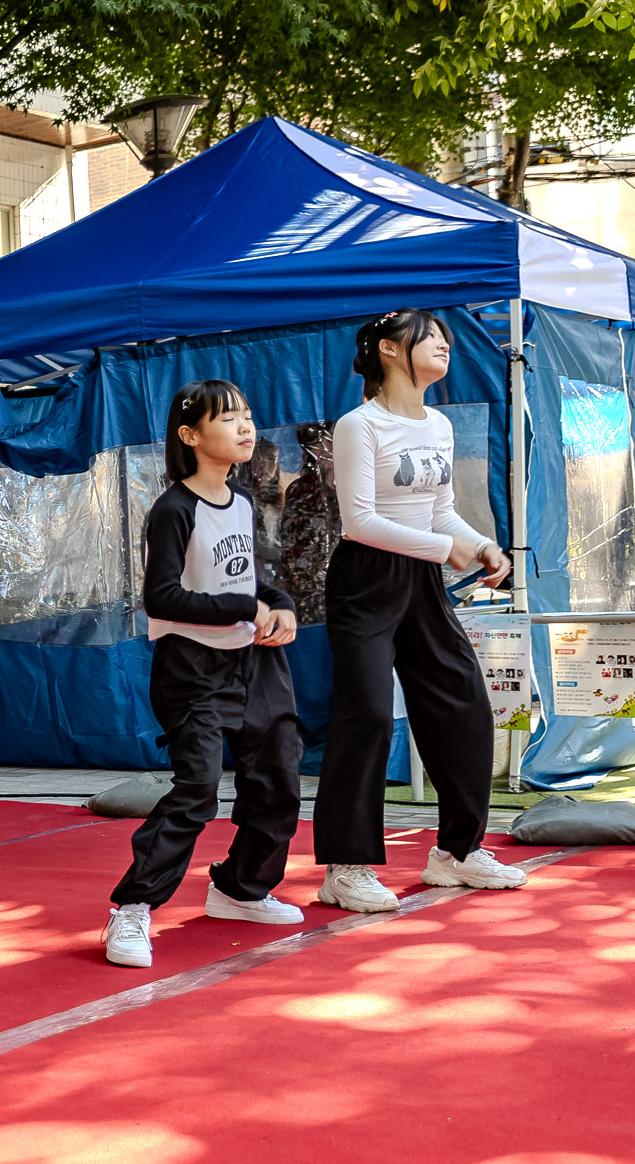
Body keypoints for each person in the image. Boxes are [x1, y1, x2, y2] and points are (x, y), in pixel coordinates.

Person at [312, 310, 527, 908]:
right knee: (369, 716)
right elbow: (359, 522)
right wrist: (445, 548)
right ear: (388, 349)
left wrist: (480, 543)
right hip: (365, 581)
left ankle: (456, 852)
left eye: (447, 341)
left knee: (463, 702)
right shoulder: (360, 425)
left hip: (423, 579)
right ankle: (344, 867)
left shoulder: (438, 424)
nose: (443, 347)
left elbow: (440, 510)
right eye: (429, 339)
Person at [104, 380, 307, 969]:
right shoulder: (173, 508)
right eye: (228, 419)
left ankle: (240, 889)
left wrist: (280, 604)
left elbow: (246, 583)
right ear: (190, 436)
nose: (245, 427)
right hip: (192, 668)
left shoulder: (241, 502)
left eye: (247, 415)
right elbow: (162, 598)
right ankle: (133, 909)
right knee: (196, 790)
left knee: (277, 779)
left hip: (255, 661)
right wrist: (248, 607)